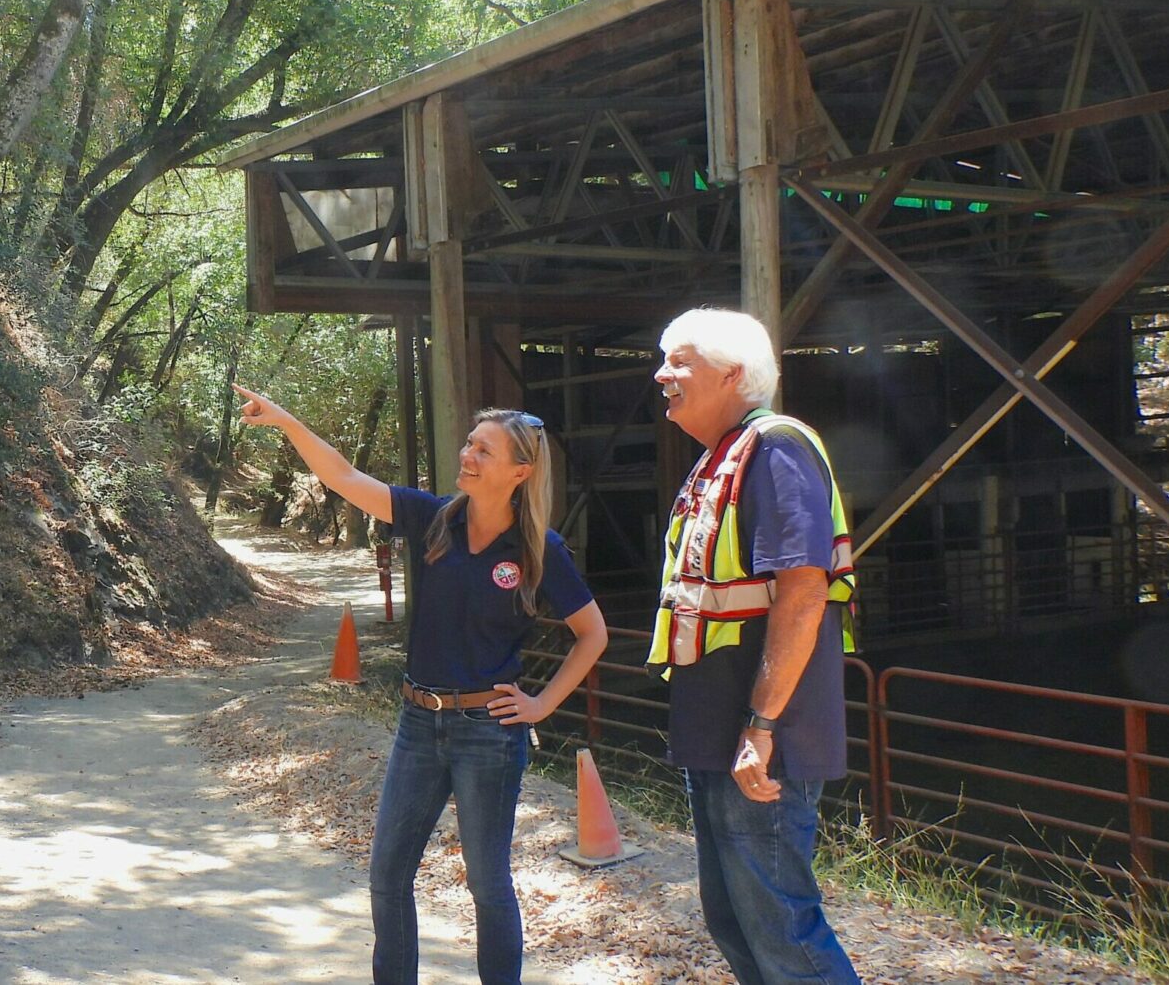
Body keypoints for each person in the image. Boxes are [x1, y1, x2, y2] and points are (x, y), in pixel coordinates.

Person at [233, 384, 608, 985]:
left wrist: (540, 705)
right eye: (469, 444)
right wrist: (287, 422)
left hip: (489, 732)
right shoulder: (434, 518)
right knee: (387, 875)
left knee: (487, 885)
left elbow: (593, 634)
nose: (468, 455)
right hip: (416, 723)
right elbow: (346, 476)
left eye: (484, 451)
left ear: (519, 470)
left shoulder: (540, 549)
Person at [647, 307, 861, 985]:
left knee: (783, 933)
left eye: (680, 361)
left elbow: (802, 594)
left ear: (733, 373)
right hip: (719, 735)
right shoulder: (722, 458)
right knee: (736, 921)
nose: (662, 374)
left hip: (764, 741)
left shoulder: (776, 447)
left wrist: (761, 724)